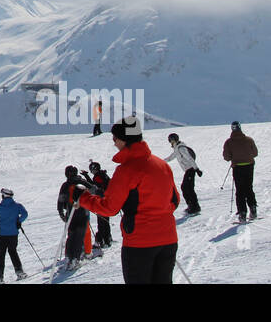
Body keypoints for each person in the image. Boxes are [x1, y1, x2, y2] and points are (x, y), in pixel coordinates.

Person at [77, 117, 180, 284]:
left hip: (140, 243)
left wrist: (83, 198)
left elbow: (110, 208)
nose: (114, 143)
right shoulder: (162, 165)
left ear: (124, 140)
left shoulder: (126, 170)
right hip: (168, 240)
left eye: (115, 138)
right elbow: (174, 201)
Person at [0, 187, 29, 282]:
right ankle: (19, 272)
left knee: (1, 255)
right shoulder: (17, 206)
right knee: (13, 252)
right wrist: (19, 222)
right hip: (13, 234)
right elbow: (25, 214)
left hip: (2, 235)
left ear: (4, 196)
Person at [222, 120, 259, 221]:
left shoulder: (229, 142)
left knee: (240, 191)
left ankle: (242, 213)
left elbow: (226, 157)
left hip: (237, 167)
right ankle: (253, 208)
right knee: (249, 188)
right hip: (249, 166)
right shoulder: (249, 140)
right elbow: (255, 153)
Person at [57, 166, 92, 268]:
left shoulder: (65, 185)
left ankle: (69, 256)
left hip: (70, 214)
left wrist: (61, 212)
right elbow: (94, 190)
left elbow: (61, 199)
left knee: (71, 236)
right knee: (79, 237)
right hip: (82, 213)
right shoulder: (82, 182)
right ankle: (75, 259)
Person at [164, 133, 203, 216]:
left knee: (188, 188)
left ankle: (194, 207)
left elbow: (190, 158)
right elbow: (170, 158)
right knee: (186, 188)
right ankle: (192, 206)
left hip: (191, 169)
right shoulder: (177, 149)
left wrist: (197, 169)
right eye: (170, 140)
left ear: (175, 140)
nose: (170, 142)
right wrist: (159, 162)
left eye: (171, 140)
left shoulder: (181, 148)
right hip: (188, 170)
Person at [87, 160, 113, 247]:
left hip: (101, 201)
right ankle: (107, 239)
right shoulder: (103, 175)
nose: (92, 171)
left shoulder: (98, 177)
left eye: (92, 170)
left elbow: (93, 187)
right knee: (105, 220)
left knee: (101, 221)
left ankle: (101, 240)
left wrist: (86, 177)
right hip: (107, 201)